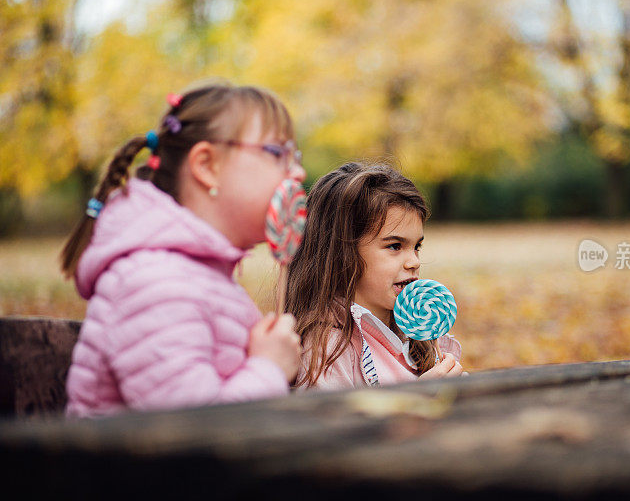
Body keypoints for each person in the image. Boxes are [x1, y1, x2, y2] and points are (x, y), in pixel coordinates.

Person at [60, 83, 304, 417]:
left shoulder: (199, 276)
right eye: (278, 153)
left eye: (296, 156)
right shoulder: (155, 282)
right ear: (206, 165)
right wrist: (269, 369)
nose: (298, 172)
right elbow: (192, 431)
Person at [287, 162, 464, 390]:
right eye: (395, 246)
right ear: (342, 253)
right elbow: (334, 424)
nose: (414, 262)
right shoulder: (328, 349)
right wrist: (417, 398)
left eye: (416, 246)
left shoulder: (420, 337)